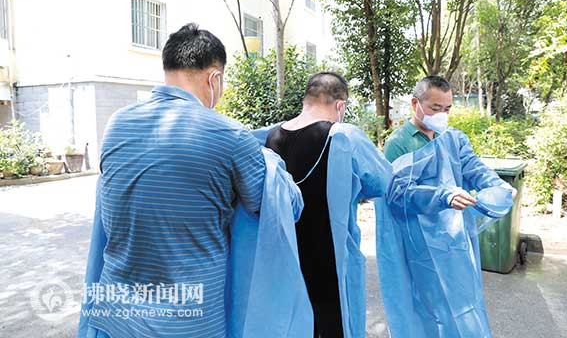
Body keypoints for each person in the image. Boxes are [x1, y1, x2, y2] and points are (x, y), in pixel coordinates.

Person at [78, 24, 309, 338]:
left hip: (117, 317)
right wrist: (270, 162)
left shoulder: (116, 124)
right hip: (189, 322)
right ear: (214, 78)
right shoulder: (230, 135)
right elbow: (278, 207)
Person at [254, 72, 392, 338]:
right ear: (340, 105)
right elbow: (384, 183)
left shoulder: (271, 138)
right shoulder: (343, 136)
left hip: (284, 257)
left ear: (306, 99)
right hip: (329, 261)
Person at [376, 75, 517, 338]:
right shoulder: (399, 143)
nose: (442, 115)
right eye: (435, 108)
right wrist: (443, 196)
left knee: (462, 303)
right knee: (426, 309)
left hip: (454, 239)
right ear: (416, 104)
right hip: (418, 243)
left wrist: (498, 186)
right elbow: (397, 194)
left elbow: (475, 169)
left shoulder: (453, 138)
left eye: (447, 109)